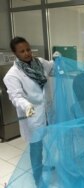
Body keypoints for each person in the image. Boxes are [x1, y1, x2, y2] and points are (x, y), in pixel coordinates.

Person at [3, 36, 54, 186]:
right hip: (32, 115)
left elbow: (51, 67)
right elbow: (15, 96)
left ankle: (43, 165)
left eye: (28, 49)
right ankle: (38, 177)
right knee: (36, 146)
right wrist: (27, 106)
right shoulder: (12, 75)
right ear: (15, 53)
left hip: (46, 111)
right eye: (22, 51)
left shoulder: (39, 63)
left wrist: (57, 60)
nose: (27, 53)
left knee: (46, 141)